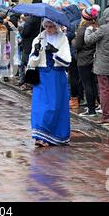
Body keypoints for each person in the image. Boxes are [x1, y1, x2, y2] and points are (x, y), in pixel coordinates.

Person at [28, 18, 72, 147]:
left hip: (56, 77)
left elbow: (67, 61)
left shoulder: (62, 39)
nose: (48, 29)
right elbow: (31, 63)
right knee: (39, 106)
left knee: (54, 107)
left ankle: (53, 135)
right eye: (46, 26)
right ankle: (39, 135)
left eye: (51, 26)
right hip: (41, 76)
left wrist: (54, 53)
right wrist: (35, 53)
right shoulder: (38, 39)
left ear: (56, 26)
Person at [74, 6, 99, 116]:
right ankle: (95, 106)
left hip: (84, 59)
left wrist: (73, 41)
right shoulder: (98, 28)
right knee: (93, 84)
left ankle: (91, 109)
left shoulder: (82, 29)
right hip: (94, 59)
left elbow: (78, 45)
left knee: (87, 84)